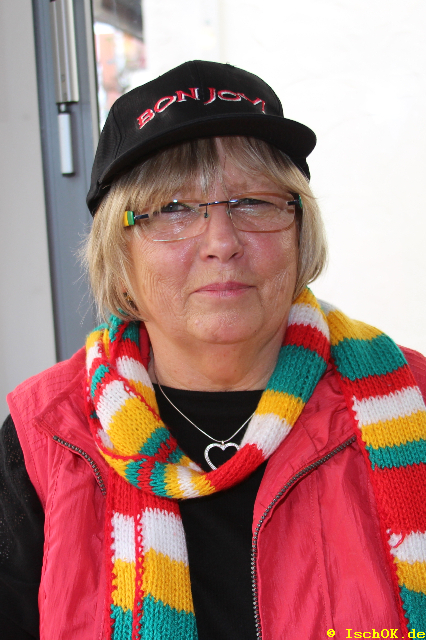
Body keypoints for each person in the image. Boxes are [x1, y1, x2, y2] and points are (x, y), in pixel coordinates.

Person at [1, 60, 426, 640]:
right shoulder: (44, 437)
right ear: (119, 252)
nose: (222, 243)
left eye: (254, 202)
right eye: (174, 208)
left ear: (299, 230)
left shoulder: (414, 403)